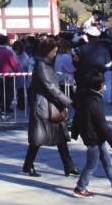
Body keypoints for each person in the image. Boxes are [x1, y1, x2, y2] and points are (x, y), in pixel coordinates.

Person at [72, 71, 112, 199]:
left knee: (108, 163)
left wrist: (75, 132)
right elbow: (102, 123)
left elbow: (77, 117)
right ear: (99, 85)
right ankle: (80, 187)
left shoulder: (85, 96)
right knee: (92, 164)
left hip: (95, 137)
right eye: (103, 84)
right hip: (93, 138)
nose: (105, 86)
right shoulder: (94, 101)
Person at [22, 37, 78, 177]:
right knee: (38, 139)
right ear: (47, 51)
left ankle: (69, 166)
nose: (55, 54)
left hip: (52, 105)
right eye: (53, 51)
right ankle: (28, 165)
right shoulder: (41, 65)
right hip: (44, 105)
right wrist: (69, 102)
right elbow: (50, 87)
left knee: (61, 138)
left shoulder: (46, 63)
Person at [0, 35, 19, 115]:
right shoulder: (8, 52)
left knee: (3, 91)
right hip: (7, 75)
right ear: (6, 41)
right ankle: (5, 107)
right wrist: (16, 71)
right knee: (8, 92)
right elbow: (14, 63)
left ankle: (1, 105)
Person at [13, 39, 33, 111]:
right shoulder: (18, 55)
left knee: (24, 91)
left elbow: (27, 66)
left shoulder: (24, 56)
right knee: (21, 91)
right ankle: (22, 104)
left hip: (24, 75)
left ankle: (25, 104)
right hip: (19, 76)